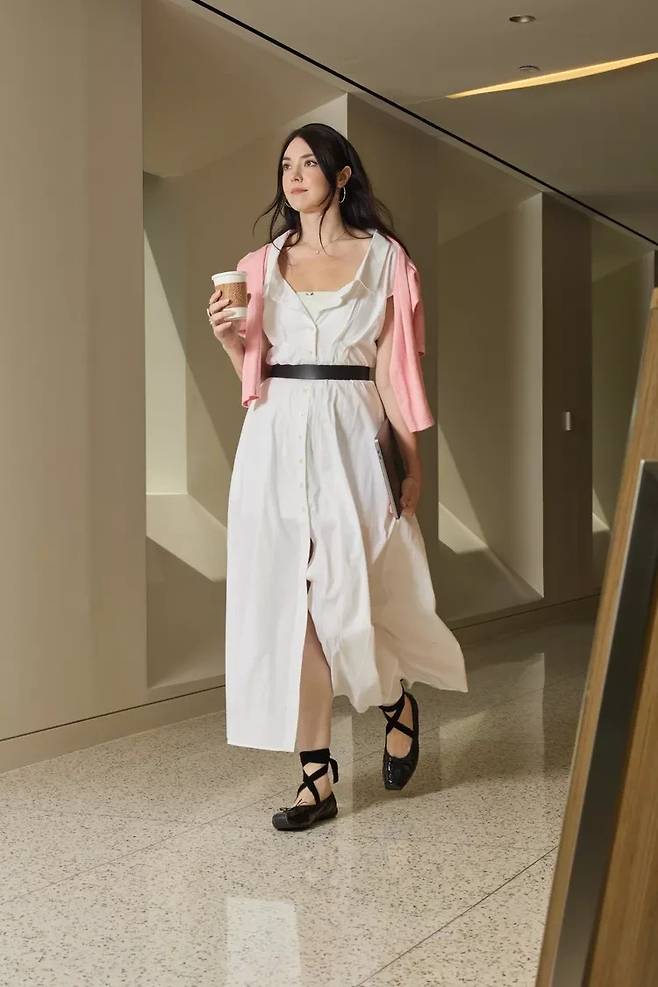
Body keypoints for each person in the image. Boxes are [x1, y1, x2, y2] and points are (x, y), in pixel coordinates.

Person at [207, 123, 468, 832]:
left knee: (349, 601)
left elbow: (392, 371)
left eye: (308, 163)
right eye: (285, 164)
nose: (294, 175)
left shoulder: (385, 260)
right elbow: (256, 375)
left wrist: (410, 461)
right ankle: (315, 777)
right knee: (286, 606)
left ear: (341, 174)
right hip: (273, 437)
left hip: (352, 432)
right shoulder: (259, 265)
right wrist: (230, 340)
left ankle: (395, 702)